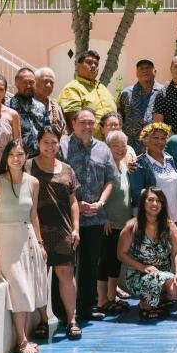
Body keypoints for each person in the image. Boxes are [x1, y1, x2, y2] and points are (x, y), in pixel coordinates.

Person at [0, 139, 48, 353]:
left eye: (20, 154)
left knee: (29, 286)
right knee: (19, 287)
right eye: (12, 154)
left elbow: (34, 215)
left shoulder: (33, 183)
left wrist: (40, 243)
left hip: (28, 238)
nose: (16, 158)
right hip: (6, 240)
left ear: (26, 156)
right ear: (6, 157)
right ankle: (21, 341)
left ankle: (25, 338)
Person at [59, 108, 118, 320]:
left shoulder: (103, 148)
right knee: (66, 266)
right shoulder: (62, 147)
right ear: (73, 123)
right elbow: (56, 179)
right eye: (83, 122)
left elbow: (111, 179)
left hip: (95, 217)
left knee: (91, 264)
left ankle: (87, 307)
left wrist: (101, 203)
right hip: (68, 218)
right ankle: (63, 311)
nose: (87, 127)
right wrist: (75, 202)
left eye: (91, 123)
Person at [27, 127, 81, 339]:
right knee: (40, 276)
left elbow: (73, 201)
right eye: (45, 142)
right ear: (38, 143)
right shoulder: (28, 166)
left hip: (63, 229)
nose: (50, 146)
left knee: (66, 274)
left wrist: (76, 228)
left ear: (59, 144)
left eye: (54, 142)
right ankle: (42, 320)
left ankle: (71, 320)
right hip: (35, 230)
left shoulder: (67, 169)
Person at [118, 187, 177, 319]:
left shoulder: (170, 226)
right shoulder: (132, 226)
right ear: (143, 202)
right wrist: (142, 267)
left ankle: (159, 297)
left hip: (164, 275)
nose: (155, 204)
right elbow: (121, 254)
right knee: (156, 278)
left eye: (159, 201)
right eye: (150, 200)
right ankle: (145, 304)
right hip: (138, 275)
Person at [98, 130, 134, 315]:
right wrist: (103, 217)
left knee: (116, 261)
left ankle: (112, 297)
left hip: (123, 224)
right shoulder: (104, 166)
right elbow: (98, 193)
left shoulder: (124, 166)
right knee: (105, 261)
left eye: (123, 145)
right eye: (115, 145)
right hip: (109, 223)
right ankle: (102, 300)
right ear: (107, 147)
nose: (120, 149)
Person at [57, 50, 117, 136]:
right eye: (88, 62)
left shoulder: (103, 89)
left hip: (112, 143)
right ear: (78, 66)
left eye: (96, 64)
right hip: (87, 145)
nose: (93, 66)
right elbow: (74, 123)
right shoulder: (72, 88)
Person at [130, 122, 177, 223]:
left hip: (173, 217)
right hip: (151, 218)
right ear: (145, 140)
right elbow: (137, 195)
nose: (160, 141)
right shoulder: (139, 164)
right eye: (156, 138)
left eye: (163, 138)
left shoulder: (170, 159)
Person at [117, 59, 165, 153]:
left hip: (156, 148)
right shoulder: (126, 94)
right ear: (136, 72)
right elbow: (119, 119)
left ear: (155, 72)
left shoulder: (164, 93)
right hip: (130, 149)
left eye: (148, 68)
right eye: (141, 68)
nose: (144, 70)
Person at [9, 67, 50, 156]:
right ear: (16, 83)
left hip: (40, 159)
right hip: (17, 159)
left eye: (31, 82)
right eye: (25, 82)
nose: (28, 86)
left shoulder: (41, 107)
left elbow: (47, 131)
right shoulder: (7, 107)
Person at [34, 67, 68, 136]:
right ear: (35, 83)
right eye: (45, 81)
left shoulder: (55, 106)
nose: (49, 85)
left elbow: (64, 132)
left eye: (51, 82)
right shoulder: (26, 104)